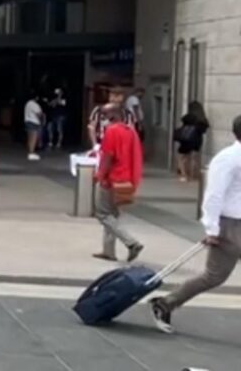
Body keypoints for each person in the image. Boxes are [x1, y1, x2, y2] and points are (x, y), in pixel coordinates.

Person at [150, 114, 241, 334]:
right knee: (214, 276)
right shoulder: (228, 158)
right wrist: (211, 228)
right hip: (231, 225)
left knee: (213, 276)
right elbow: (213, 195)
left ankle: (166, 303)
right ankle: (165, 303)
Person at [92, 103, 144, 263]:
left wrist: (100, 175)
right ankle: (108, 251)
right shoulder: (129, 131)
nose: (103, 118)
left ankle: (131, 242)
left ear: (112, 115)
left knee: (102, 213)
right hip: (125, 178)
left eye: (104, 115)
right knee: (112, 214)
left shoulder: (112, 131)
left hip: (112, 179)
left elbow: (108, 156)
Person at [175, 101, 211, 182]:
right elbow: (204, 130)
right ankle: (193, 176)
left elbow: (183, 120)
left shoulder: (189, 116)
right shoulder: (203, 119)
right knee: (194, 158)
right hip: (198, 140)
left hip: (187, 140)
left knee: (181, 158)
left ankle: (184, 176)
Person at [24, 94, 44, 161]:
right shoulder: (34, 105)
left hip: (28, 121)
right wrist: (41, 121)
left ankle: (30, 151)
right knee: (34, 138)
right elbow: (39, 114)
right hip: (34, 122)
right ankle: (31, 153)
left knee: (30, 137)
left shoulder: (27, 103)